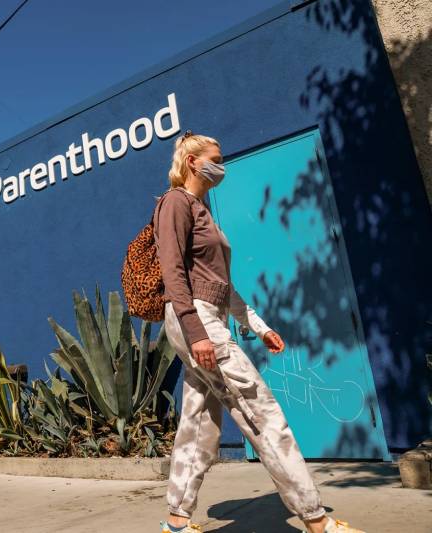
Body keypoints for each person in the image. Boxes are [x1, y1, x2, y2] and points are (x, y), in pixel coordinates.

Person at [155, 131, 364, 533]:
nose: (222, 164)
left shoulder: (201, 210)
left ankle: (176, 522)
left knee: (199, 423)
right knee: (262, 413)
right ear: (194, 162)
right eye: (216, 157)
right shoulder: (176, 203)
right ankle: (316, 519)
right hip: (193, 319)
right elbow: (172, 273)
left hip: (205, 315)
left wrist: (257, 325)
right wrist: (197, 332)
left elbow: (220, 284)